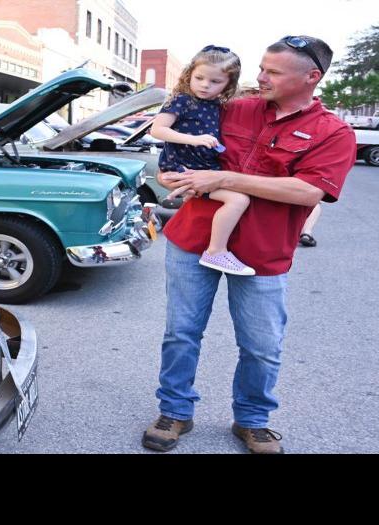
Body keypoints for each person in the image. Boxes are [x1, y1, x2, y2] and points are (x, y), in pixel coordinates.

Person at [142, 36, 357, 454]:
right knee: (181, 333)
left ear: (311, 77)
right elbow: (174, 136)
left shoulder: (332, 132)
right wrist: (170, 175)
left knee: (261, 346)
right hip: (194, 238)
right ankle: (175, 411)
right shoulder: (233, 106)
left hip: (262, 253)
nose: (259, 77)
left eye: (273, 71)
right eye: (261, 67)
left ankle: (253, 420)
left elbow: (306, 192)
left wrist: (223, 180)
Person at [151, 45, 254, 276]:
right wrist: (195, 139)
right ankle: (216, 251)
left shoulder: (215, 105)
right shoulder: (182, 100)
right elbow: (157, 130)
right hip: (183, 169)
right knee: (238, 200)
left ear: (228, 83)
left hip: (204, 169)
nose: (205, 85)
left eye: (215, 81)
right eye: (199, 78)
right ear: (190, 74)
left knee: (233, 197)